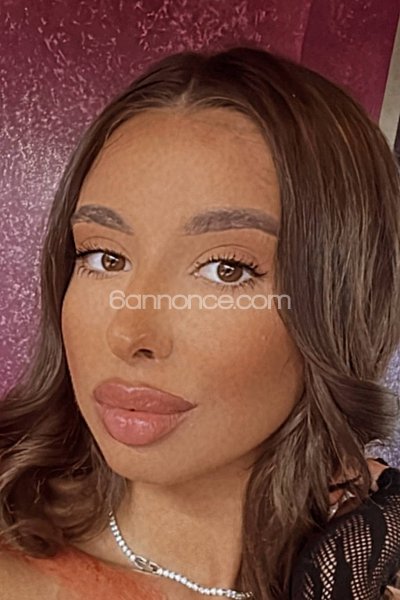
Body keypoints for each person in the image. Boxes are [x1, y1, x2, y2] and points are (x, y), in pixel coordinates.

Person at [0, 45, 399, 600]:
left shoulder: (371, 545)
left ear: (345, 301)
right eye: (104, 257)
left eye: (225, 269)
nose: (129, 334)